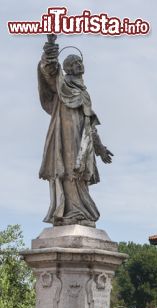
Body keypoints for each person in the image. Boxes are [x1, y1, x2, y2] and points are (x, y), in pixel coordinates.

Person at [37, 34, 113, 227]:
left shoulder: (84, 93)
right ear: (67, 68)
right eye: (74, 63)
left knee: (80, 174)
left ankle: (79, 212)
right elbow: (49, 70)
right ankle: (68, 212)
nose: (78, 64)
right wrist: (50, 46)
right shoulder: (61, 84)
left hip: (82, 138)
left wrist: (99, 148)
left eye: (79, 61)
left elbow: (90, 124)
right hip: (65, 135)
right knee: (68, 170)